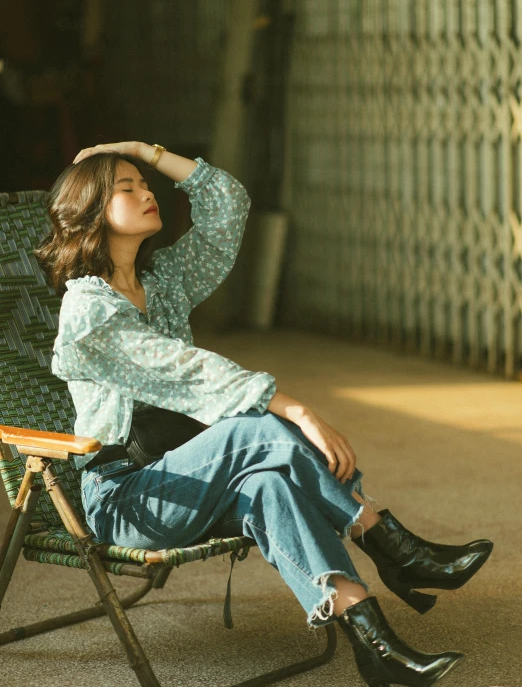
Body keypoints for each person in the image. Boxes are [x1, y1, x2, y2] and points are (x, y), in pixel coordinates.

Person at [35, 141, 493, 687]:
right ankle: (388, 543)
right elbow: (185, 368)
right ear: (89, 212)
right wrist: (291, 405)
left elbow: (227, 203)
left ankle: (377, 646)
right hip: (129, 497)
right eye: (126, 187)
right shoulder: (88, 306)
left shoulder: (163, 285)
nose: (146, 191)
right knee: (256, 428)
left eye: (145, 182)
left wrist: (145, 151)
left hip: (189, 476)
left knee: (270, 488)